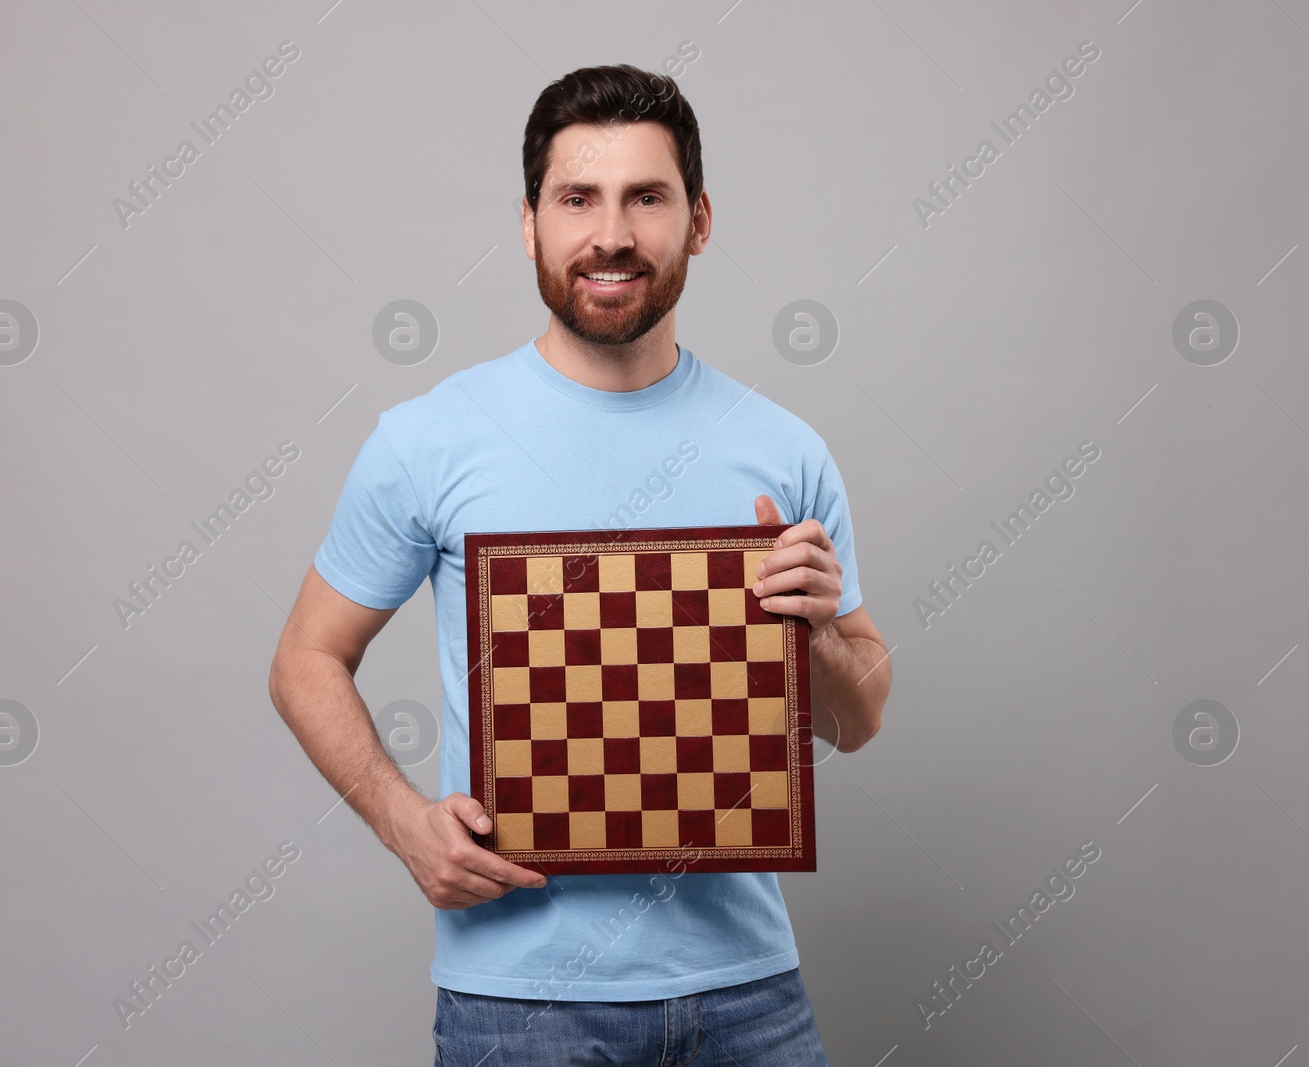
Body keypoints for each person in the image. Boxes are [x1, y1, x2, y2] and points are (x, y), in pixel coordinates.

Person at [267, 63, 892, 1066]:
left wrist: (819, 634)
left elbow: (856, 718)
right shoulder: (429, 440)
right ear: (529, 224)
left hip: (748, 996)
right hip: (520, 1007)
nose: (610, 235)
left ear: (698, 220)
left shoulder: (782, 450)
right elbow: (303, 657)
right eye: (577, 199)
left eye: (647, 197)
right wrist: (402, 822)